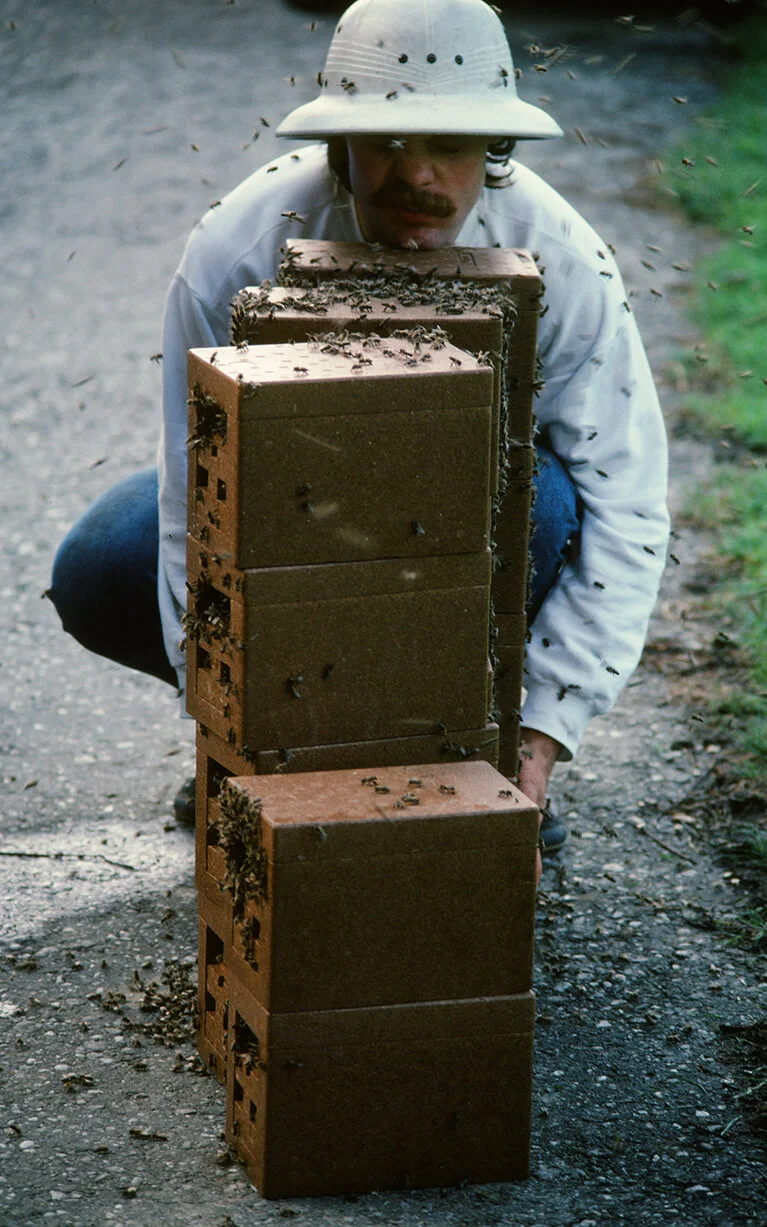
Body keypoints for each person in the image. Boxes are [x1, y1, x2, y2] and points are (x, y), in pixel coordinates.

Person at [49, 0, 669, 851]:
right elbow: (193, 504)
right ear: (339, 147)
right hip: (291, 515)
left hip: (464, 537)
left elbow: (626, 500)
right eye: (387, 144)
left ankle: (476, 742)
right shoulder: (239, 244)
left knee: (546, 503)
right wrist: (221, 720)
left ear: (496, 151)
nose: (416, 178)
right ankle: (282, 737)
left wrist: (541, 738)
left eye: (449, 146)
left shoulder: (564, 258)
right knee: (97, 562)